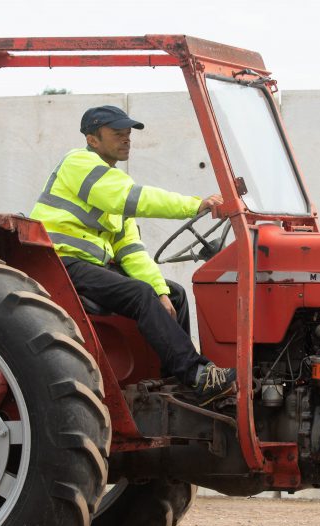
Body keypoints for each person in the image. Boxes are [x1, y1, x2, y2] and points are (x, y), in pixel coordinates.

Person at [29, 105, 236, 406]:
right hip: (61, 263)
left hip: (90, 266)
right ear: (93, 139)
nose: (126, 140)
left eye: (128, 134)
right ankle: (197, 373)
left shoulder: (111, 189)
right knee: (139, 294)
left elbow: (131, 251)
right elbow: (133, 197)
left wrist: (161, 291)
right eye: (117, 134)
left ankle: (176, 381)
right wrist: (196, 205)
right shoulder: (80, 164)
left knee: (174, 294)